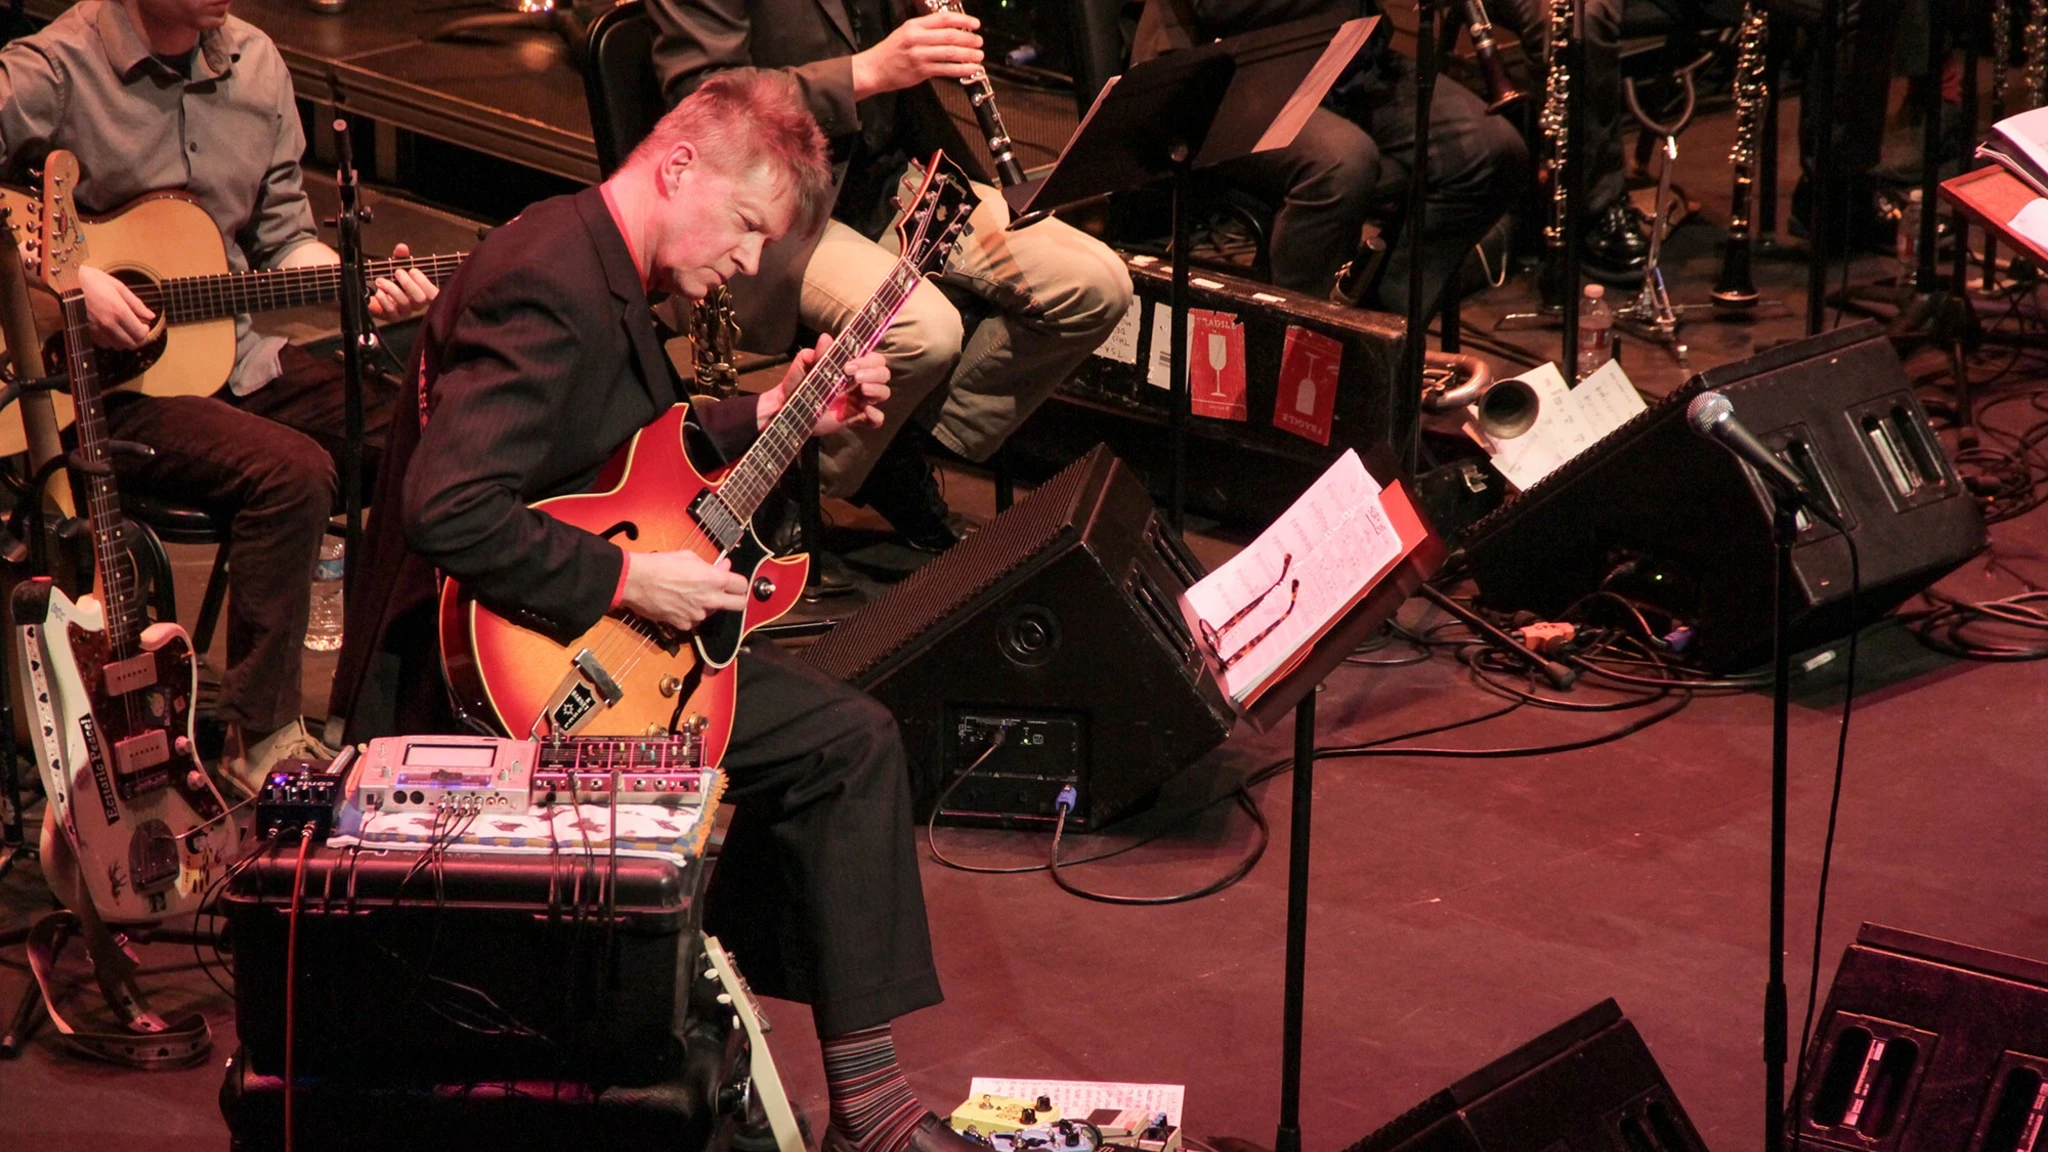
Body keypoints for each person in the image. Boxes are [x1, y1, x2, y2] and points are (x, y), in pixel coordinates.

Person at [331, 69, 987, 1152]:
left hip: (567, 636)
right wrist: (634, 583)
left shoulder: (594, 263)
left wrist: (771, 416)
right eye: (741, 227)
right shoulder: (547, 280)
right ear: (676, 165)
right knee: (837, 751)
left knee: (846, 743)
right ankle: (815, 1096)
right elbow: (446, 509)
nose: (746, 261)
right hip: (480, 678)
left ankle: (838, 1092)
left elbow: (615, 468)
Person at [0, 0, 438, 788]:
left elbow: (282, 239)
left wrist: (359, 289)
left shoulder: (256, 63)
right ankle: (262, 738)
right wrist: (68, 278)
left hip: (233, 358)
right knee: (291, 472)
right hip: (93, 394)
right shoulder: (59, 66)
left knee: (424, 439)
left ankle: (384, 717)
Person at [649, 0, 1134, 554]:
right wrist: (867, 71)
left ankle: (888, 454)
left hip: (893, 175)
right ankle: (788, 486)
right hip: (767, 203)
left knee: (1097, 285)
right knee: (923, 329)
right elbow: (703, 95)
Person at [1136, 0, 1530, 313]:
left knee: (1493, 151)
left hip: (1349, 64)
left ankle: (1373, 330)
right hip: (1228, 75)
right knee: (1342, 163)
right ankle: (1292, 353)